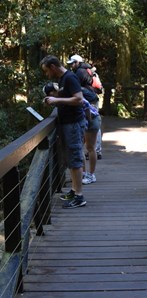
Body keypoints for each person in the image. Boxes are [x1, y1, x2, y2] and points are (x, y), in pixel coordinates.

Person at [40, 55, 86, 209]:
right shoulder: (62, 79)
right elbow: (66, 97)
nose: (47, 74)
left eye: (47, 71)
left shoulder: (70, 78)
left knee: (75, 158)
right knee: (71, 160)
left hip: (73, 124)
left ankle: (79, 196)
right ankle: (74, 190)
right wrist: (52, 98)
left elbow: (78, 99)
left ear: (53, 67)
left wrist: (57, 101)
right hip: (67, 123)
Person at [67, 54, 103, 160]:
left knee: (92, 124)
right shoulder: (88, 69)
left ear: (78, 62)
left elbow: (75, 87)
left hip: (89, 100)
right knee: (95, 124)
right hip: (92, 98)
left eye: (73, 63)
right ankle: (95, 150)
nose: (71, 66)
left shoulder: (79, 72)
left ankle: (93, 150)